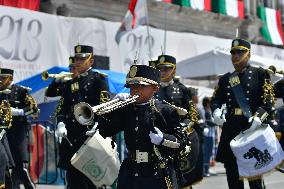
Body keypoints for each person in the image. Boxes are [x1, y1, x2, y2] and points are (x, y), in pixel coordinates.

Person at [93, 64, 186, 189]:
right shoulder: (126, 109)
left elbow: (182, 141)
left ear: (155, 88)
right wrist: (111, 107)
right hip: (131, 171)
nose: (135, 89)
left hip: (156, 172)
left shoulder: (165, 110)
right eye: (132, 86)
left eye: (141, 86)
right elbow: (106, 130)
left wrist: (163, 139)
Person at [211, 38, 274, 189]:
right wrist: (216, 111)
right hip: (231, 129)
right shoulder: (226, 79)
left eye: (240, 52)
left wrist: (259, 117)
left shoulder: (260, 74)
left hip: (251, 128)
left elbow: (268, 102)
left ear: (249, 54)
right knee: (233, 175)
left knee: (255, 178)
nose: (236, 55)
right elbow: (216, 100)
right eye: (233, 52)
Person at [55, 45, 110, 189]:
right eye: (76, 59)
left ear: (91, 61)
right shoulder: (70, 83)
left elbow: (105, 107)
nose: (78, 61)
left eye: (82, 58)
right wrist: (60, 123)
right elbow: (62, 108)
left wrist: (99, 126)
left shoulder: (99, 79)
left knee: (92, 180)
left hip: (90, 136)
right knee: (72, 180)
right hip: (72, 137)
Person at [150, 55, 202, 188]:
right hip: (158, 138)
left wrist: (183, 127)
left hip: (177, 138)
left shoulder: (182, 89)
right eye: (160, 68)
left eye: (166, 68)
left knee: (183, 177)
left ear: (173, 70)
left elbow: (192, 115)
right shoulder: (152, 89)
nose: (163, 71)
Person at [0, 68, 39, 189]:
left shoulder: (20, 90)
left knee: (21, 164)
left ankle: (29, 186)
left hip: (18, 131)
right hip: (4, 132)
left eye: (3, 78)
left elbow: (34, 108)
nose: (0, 81)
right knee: (8, 165)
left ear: (10, 78)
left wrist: (20, 112)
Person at [202, 97, 217, 177]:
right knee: (207, 153)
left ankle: (207, 169)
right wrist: (217, 123)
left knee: (210, 153)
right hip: (207, 135)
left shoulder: (208, 111)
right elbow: (208, 122)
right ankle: (205, 170)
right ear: (207, 103)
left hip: (211, 135)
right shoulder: (205, 111)